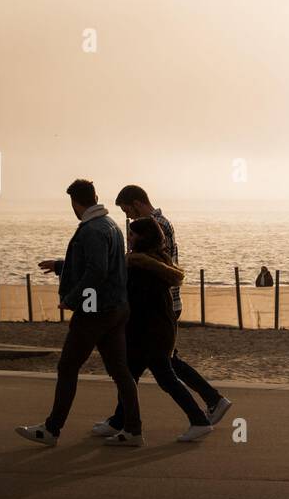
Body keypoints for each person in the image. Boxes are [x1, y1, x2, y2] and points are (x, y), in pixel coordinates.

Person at [93, 184, 231, 435]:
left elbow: (155, 267)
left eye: (127, 211)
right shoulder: (158, 222)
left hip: (158, 305)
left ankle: (206, 406)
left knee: (158, 365)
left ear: (136, 203)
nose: (127, 218)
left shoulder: (152, 226)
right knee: (151, 364)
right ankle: (122, 420)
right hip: (162, 304)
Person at [16, 179, 143, 447]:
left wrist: (72, 299)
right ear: (95, 196)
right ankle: (133, 430)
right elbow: (102, 264)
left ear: (75, 203)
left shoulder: (92, 230)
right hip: (118, 307)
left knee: (68, 366)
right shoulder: (112, 226)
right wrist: (61, 265)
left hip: (95, 311)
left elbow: (96, 271)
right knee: (121, 371)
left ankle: (52, 429)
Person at [106, 218, 215, 441]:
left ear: (144, 237)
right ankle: (124, 425)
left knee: (164, 379)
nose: (129, 238)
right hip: (157, 330)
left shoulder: (140, 267)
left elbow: (134, 302)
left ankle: (198, 420)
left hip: (148, 334)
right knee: (130, 377)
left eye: (133, 234)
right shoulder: (158, 263)